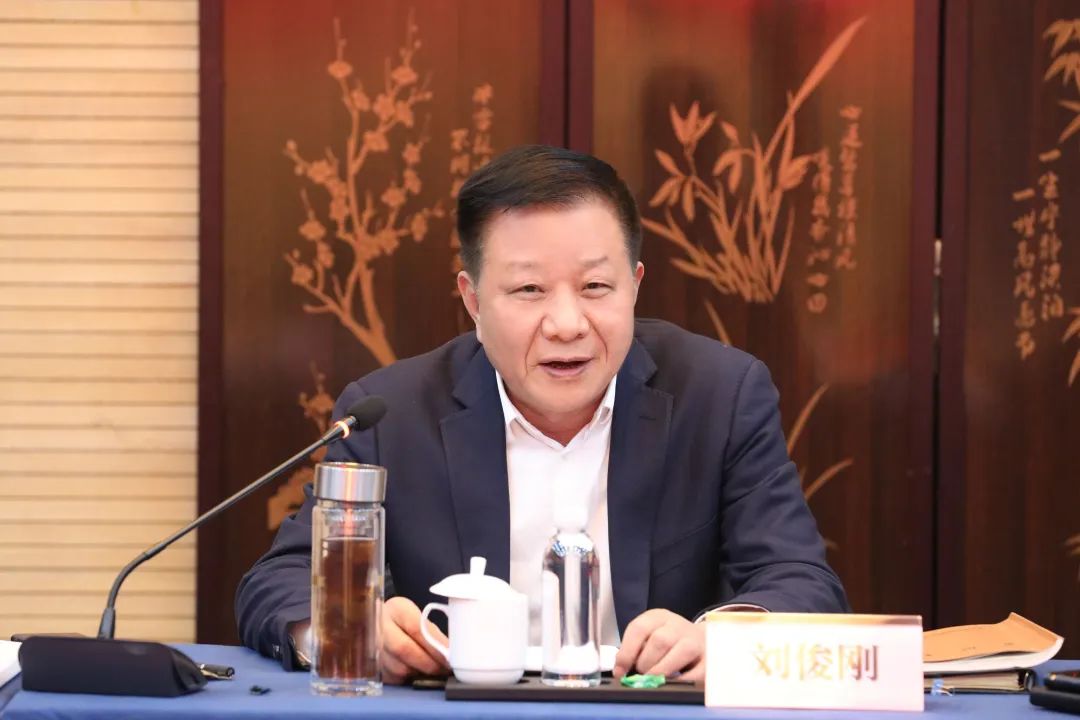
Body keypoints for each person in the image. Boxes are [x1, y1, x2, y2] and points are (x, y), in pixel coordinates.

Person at [236, 144, 848, 684]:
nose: (566, 324)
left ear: (635, 286)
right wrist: (350, 629)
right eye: (529, 290)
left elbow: (801, 581)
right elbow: (281, 580)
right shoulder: (390, 415)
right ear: (473, 300)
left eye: (596, 287)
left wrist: (723, 638)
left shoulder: (719, 396)